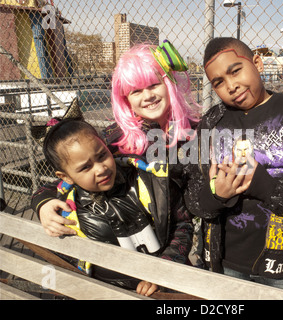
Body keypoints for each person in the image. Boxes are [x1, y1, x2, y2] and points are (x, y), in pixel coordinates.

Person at [183, 37, 283, 294]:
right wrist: (217, 194)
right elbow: (193, 197)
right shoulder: (210, 125)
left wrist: (265, 185)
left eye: (235, 71)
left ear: (257, 63)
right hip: (223, 262)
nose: (232, 85)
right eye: (219, 82)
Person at [32, 41, 201, 244]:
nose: (148, 96)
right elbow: (74, 172)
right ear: (125, 99)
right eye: (135, 91)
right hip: (145, 238)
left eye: (154, 85)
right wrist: (42, 202)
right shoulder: (118, 136)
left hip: (187, 233)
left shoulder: (197, 132)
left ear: (168, 83)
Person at [31, 102, 193, 296]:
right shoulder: (66, 208)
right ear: (65, 177)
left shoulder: (148, 180)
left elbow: (182, 225)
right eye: (85, 167)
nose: (101, 169)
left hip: (167, 289)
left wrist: (163, 270)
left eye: (102, 155)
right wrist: (41, 204)